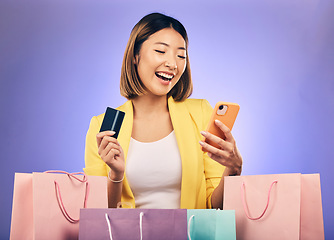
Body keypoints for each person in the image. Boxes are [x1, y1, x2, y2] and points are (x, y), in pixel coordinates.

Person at [84, 12, 243, 209]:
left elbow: (214, 207)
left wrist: (233, 169)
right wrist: (116, 175)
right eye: (161, 51)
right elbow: (97, 215)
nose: (173, 64)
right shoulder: (102, 126)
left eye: (181, 55)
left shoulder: (200, 113)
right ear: (135, 56)